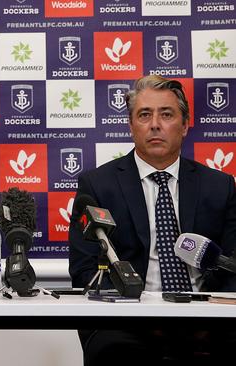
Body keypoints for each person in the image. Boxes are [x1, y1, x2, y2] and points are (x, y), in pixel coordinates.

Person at [69, 75, 236, 366]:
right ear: (131, 126)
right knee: (113, 350)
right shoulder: (98, 185)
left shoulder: (220, 186)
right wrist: (137, 310)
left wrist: (208, 315)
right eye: (144, 115)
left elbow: (232, 267)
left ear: (185, 126)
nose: (155, 124)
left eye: (167, 114)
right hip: (128, 319)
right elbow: (85, 270)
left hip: (205, 317)